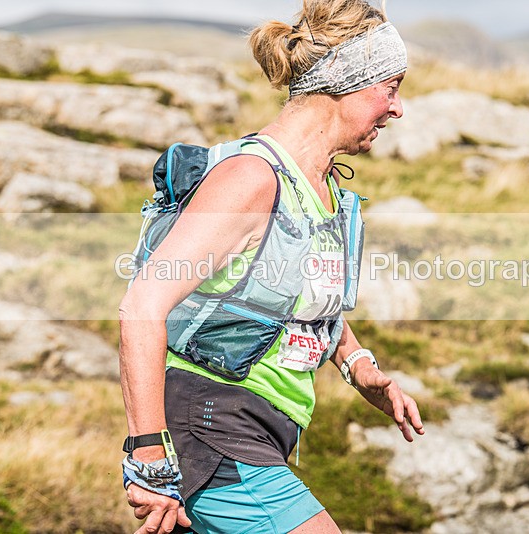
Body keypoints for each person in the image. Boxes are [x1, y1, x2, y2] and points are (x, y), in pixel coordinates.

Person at [118, 1, 424, 532]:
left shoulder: (321, 185)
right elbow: (142, 308)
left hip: (260, 429)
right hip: (214, 423)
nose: (398, 109)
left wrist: (359, 366)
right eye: (391, 87)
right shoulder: (252, 178)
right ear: (347, 83)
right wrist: (148, 456)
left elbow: (292, 297)